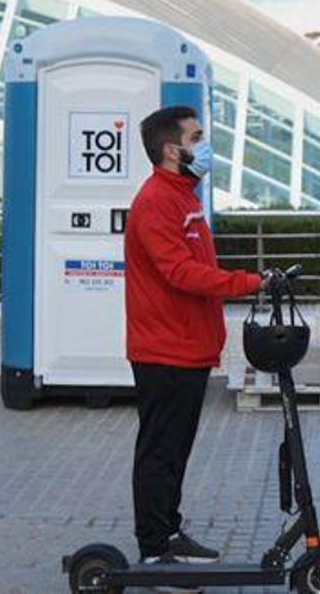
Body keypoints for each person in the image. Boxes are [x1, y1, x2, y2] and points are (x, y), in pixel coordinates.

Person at [125, 105, 268, 570]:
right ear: (173, 150)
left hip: (188, 348)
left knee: (175, 452)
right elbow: (182, 273)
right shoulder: (155, 202)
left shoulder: (184, 196)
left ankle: (168, 532)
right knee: (160, 452)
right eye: (197, 137)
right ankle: (154, 551)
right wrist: (250, 282)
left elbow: (195, 268)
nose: (206, 146)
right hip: (164, 350)